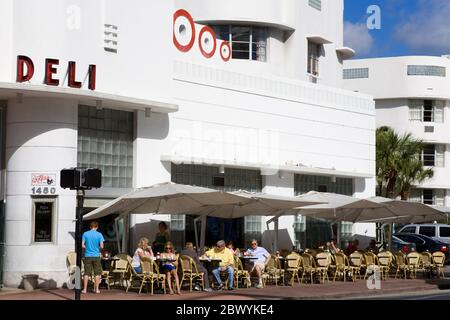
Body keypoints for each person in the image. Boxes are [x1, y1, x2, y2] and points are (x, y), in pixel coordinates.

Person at [81, 221, 105, 294]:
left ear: (90, 227)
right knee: (97, 273)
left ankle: (85, 289)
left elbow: (82, 245)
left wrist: (87, 248)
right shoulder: (99, 234)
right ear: (97, 227)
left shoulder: (85, 234)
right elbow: (102, 246)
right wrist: (96, 248)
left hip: (87, 255)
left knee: (86, 273)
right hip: (96, 256)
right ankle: (97, 289)